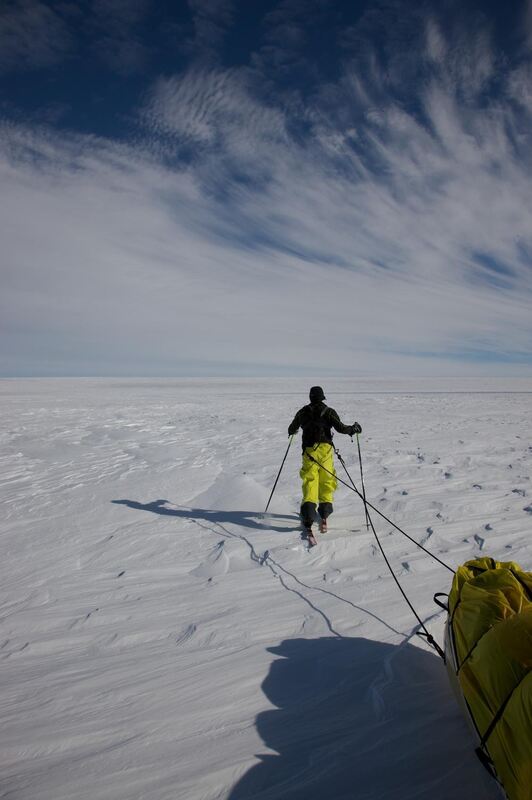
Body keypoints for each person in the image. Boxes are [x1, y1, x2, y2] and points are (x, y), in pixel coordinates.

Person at [288, 386, 361, 538]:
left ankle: (308, 513)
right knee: (327, 480)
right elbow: (341, 428)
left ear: (310, 397)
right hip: (326, 452)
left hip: (309, 452)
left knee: (310, 480)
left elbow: (291, 428)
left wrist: (293, 431)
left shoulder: (302, 412)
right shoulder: (328, 411)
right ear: (322, 397)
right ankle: (325, 511)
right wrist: (353, 429)